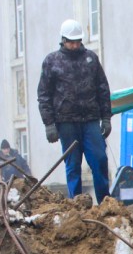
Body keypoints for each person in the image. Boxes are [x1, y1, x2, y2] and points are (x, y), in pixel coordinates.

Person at [37, 18, 113, 203]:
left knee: (99, 159)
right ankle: (76, 204)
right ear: (63, 40)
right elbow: (44, 94)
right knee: (73, 165)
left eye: (77, 41)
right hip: (66, 122)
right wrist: (49, 124)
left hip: (90, 120)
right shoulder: (52, 61)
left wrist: (106, 118)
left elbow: (102, 89)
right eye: (71, 41)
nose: (74, 45)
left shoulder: (91, 60)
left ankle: (105, 202)